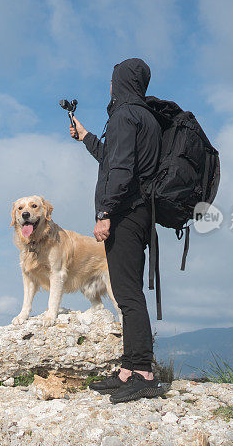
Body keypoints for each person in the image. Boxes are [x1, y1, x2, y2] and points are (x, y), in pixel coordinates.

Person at [70, 57, 166, 403]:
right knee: (128, 291)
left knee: (127, 295)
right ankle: (128, 369)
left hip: (126, 215)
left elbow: (122, 170)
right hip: (141, 215)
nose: (110, 87)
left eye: (113, 80)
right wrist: (86, 137)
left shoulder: (125, 115)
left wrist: (105, 212)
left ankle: (143, 373)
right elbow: (113, 159)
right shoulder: (145, 118)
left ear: (121, 82)